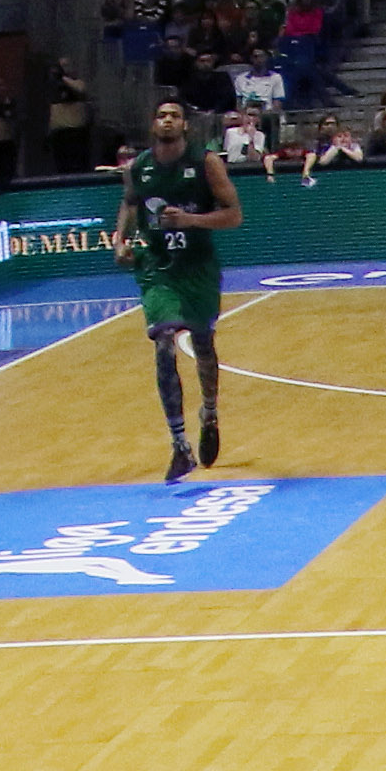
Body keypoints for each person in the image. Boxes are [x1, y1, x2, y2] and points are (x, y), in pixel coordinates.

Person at [114, 98, 243, 484]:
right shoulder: (139, 167)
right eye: (161, 115)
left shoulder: (206, 163)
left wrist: (190, 219)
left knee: (203, 345)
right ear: (153, 124)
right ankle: (178, 445)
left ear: (185, 125)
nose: (167, 121)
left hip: (197, 268)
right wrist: (121, 239)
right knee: (164, 340)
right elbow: (130, 204)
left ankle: (209, 413)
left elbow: (234, 215)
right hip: (158, 268)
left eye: (174, 116)